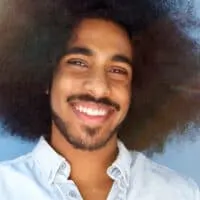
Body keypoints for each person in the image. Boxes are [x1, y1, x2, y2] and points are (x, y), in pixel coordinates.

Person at [0, 2, 199, 200]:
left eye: (118, 70)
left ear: (135, 89)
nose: (99, 87)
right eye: (78, 62)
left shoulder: (179, 193)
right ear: (45, 77)